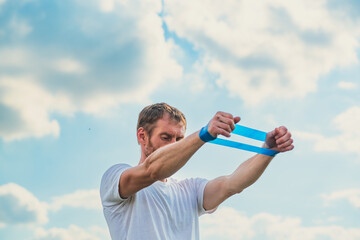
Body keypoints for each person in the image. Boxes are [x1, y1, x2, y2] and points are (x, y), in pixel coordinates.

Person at [100, 103, 294, 240]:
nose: (174, 145)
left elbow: (232, 184)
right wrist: (203, 135)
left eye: (179, 139)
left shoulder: (189, 189)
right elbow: (153, 170)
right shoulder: (115, 177)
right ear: (142, 136)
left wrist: (267, 151)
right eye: (166, 137)